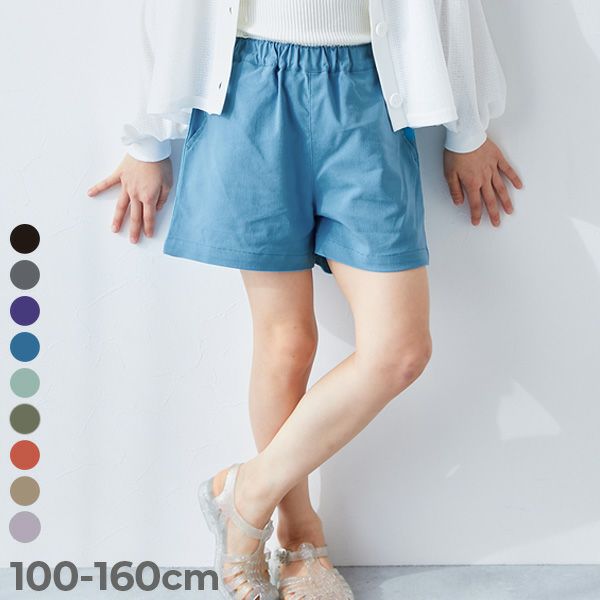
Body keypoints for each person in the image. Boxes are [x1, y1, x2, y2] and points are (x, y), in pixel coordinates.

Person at [89, 1, 523, 598]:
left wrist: (468, 128)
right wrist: (145, 141)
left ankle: (246, 494)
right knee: (286, 341)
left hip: (369, 92)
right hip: (246, 89)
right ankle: (298, 538)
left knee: (400, 351)